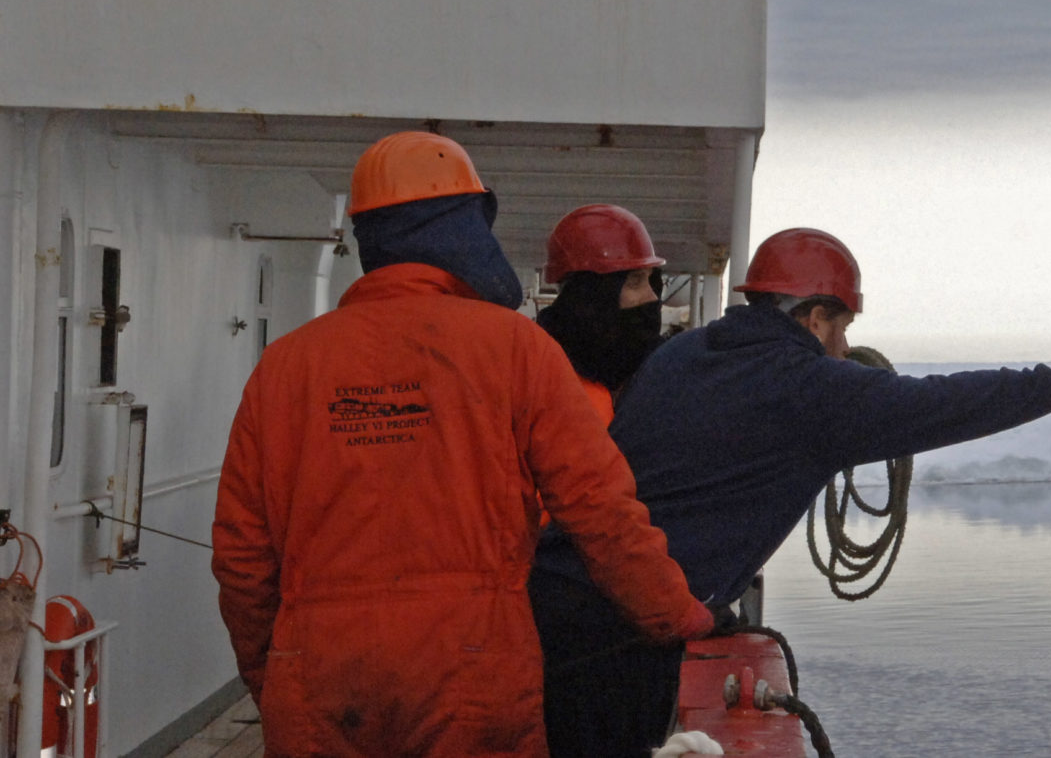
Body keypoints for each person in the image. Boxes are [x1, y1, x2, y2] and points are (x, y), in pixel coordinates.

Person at [531, 227, 1051, 755]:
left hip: (550, 598)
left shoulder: (685, 352)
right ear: (814, 315)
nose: (847, 347)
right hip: (616, 633)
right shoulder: (806, 389)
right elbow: (944, 406)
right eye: (843, 326)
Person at [211, 131, 714, 756]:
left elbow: (241, 557)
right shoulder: (515, 348)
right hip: (473, 662)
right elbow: (599, 509)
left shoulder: (285, 366)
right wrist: (674, 614)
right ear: (466, 227)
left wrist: (277, 674)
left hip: (319, 670)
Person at [535, 203, 670, 419]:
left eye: (650, 280)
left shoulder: (669, 375)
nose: (652, 297)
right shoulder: (533, 380)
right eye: (635, 282)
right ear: (591, 297)